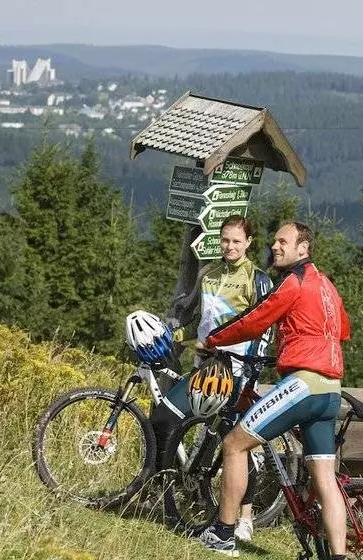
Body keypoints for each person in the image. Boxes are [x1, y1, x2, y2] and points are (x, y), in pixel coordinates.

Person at [197, 221, 351, 559]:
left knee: (235, 444)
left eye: (283, 241)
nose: (275, 246)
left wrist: (212, 339)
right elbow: (343, 329)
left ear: (303, 249)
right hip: (331, 388)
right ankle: (338, 555)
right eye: (274, 241)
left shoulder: (293, 283)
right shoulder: (327, 285)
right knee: (325, 476)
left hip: (304, 384)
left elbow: (255, 319)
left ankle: (222, 533)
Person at [149, 214, 272, 542]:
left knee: (235, 443)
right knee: (164, 416)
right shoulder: (208, 273)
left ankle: (244, 516)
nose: (230, 246)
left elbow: (264, 328)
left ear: (249, 242)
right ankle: (167, 490)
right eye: (225, 240)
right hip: (204, 367)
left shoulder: (257, 279)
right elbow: (192, 315)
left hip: (236, 372)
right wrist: (168, 331)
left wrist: (251, 370)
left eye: (236, 241)